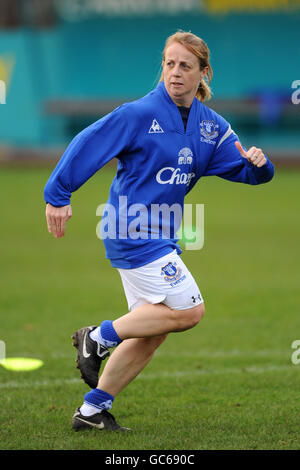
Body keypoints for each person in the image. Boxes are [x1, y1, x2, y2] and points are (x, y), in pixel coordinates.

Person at [44, 31, 274, 432]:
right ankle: (96, 338)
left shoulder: (210, 127)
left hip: (161, 235)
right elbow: (88, 143)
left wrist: (259, 165)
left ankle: (93, 411)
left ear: (204, 72)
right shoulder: (138, 114)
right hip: (131, 230)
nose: (175, 73)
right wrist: (58, 193)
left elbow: (246, 172)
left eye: (185, 65)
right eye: (169, 63)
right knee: (188, 311)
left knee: (155, 328)